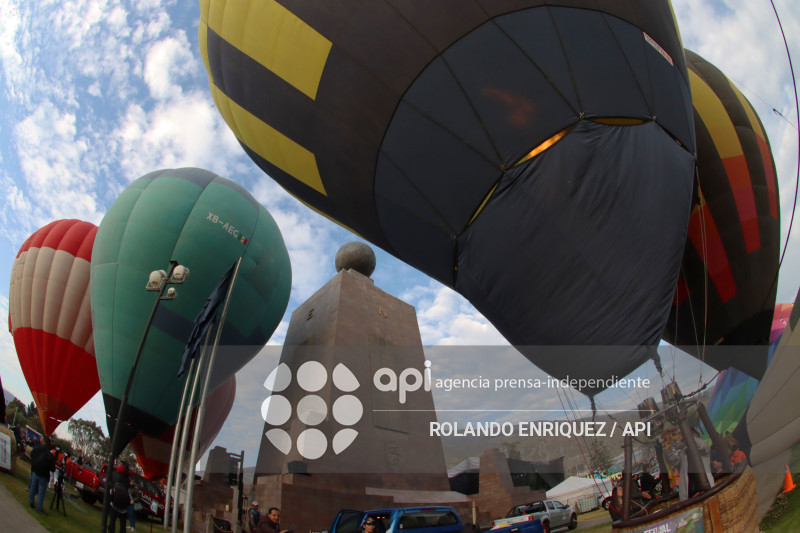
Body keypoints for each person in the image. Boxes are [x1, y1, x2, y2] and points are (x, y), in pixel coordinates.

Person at [28, 435, 56, 514]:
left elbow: (31, 454)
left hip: (35, 471)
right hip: (44, 475)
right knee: (41, 492)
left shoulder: (38, 448)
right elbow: (52, 468)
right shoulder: (49, 454)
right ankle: (39, 508)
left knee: (33, 487)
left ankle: (31, 502)